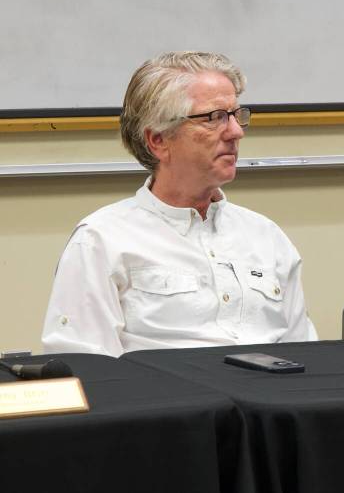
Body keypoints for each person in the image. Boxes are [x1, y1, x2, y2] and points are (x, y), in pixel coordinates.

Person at [42, 51, 317, 356]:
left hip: (271, 400)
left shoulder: (266, 237)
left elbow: (305, 357)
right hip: (168, 401)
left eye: (237, 115)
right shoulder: (102, 240)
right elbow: (86, 369)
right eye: (215, 118)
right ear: (158, 140)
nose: (236, 132)